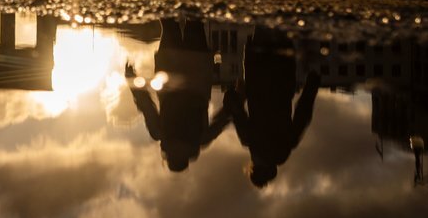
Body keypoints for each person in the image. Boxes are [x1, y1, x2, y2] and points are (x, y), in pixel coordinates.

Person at [126, 17, 231, 172]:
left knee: (195, 23)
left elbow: (225, 116)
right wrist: (131, 78)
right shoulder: (159, 133)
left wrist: (236, 94)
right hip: (169, 66)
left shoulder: (202, 139)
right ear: (168, 157)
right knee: (169, 25)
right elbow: (146, 105)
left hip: (198, 69)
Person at [223, 27, 320, 188]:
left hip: (283, 76)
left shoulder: (286, 147)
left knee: (281, 26)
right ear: (254, 168)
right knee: (262, 24)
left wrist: (312, 86)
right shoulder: (249, 140)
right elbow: (237, 111)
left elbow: (303, 113)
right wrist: (231, 95)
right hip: (257, 74)